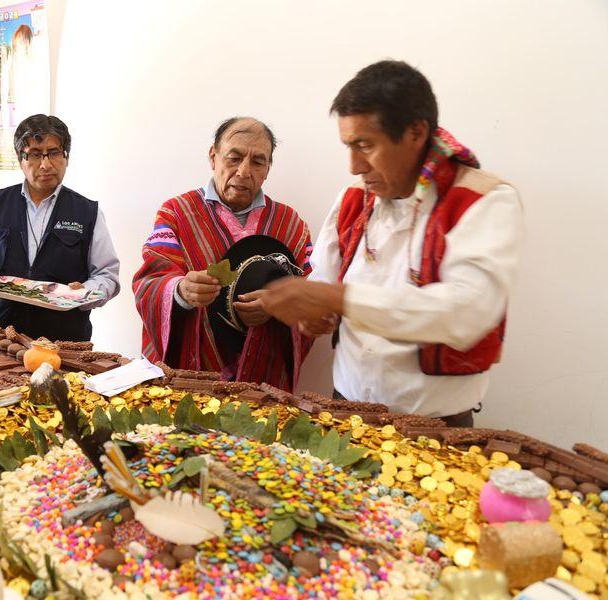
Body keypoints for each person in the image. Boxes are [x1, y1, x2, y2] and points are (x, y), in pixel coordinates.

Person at [262, 60, 524, 425]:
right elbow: (324, 278)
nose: (354, 166)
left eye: (365, 145)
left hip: (435, 427)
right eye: (348, 146)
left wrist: (338, 299)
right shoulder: (353, 198)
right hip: (345, 410)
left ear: (416, 133)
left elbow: (466, 313)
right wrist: (315, 312)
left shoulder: (483, 200)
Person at [133, 117, 313, 391]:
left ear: (268, 169)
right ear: (213, 157)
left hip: (263, 380)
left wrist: (279, 305)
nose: (243, 171)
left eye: (258, 161)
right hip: (193, 376)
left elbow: (313, 295)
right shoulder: (177, 214)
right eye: (234, 158)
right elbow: (149, 283)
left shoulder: (290, 225)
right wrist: (180, 291)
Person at [0, 114, 120, 341]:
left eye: (53, 153)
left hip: (63, 340)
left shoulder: (87, 212)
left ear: (66, 157)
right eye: (35, 154)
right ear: (21, 159)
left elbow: (107, 275)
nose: (45, 164)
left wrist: (86, 292)